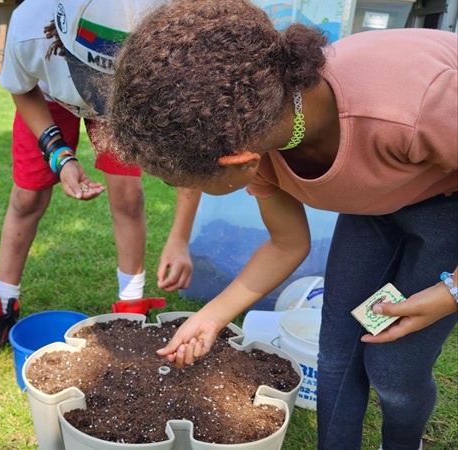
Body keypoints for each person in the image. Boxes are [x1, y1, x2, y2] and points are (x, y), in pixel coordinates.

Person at [105, 1, 458, 449]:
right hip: (375, 204)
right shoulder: (259, 130)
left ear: (236, 161)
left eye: (180, 181)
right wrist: (211, 317)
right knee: (337, 353)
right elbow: (286, 243)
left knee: (395, 370)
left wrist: (451, 292)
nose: (181, 189)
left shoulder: (417, 105)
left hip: (447, 200)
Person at [0, 0, 169, 371]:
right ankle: (3, 300)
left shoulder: (160, 17)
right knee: (27, 197)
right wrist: (60, 156)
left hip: (121, 102)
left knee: (128, 197)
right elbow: (22, 87)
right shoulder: (28, 25)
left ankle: (130, 306)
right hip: (48, 96)